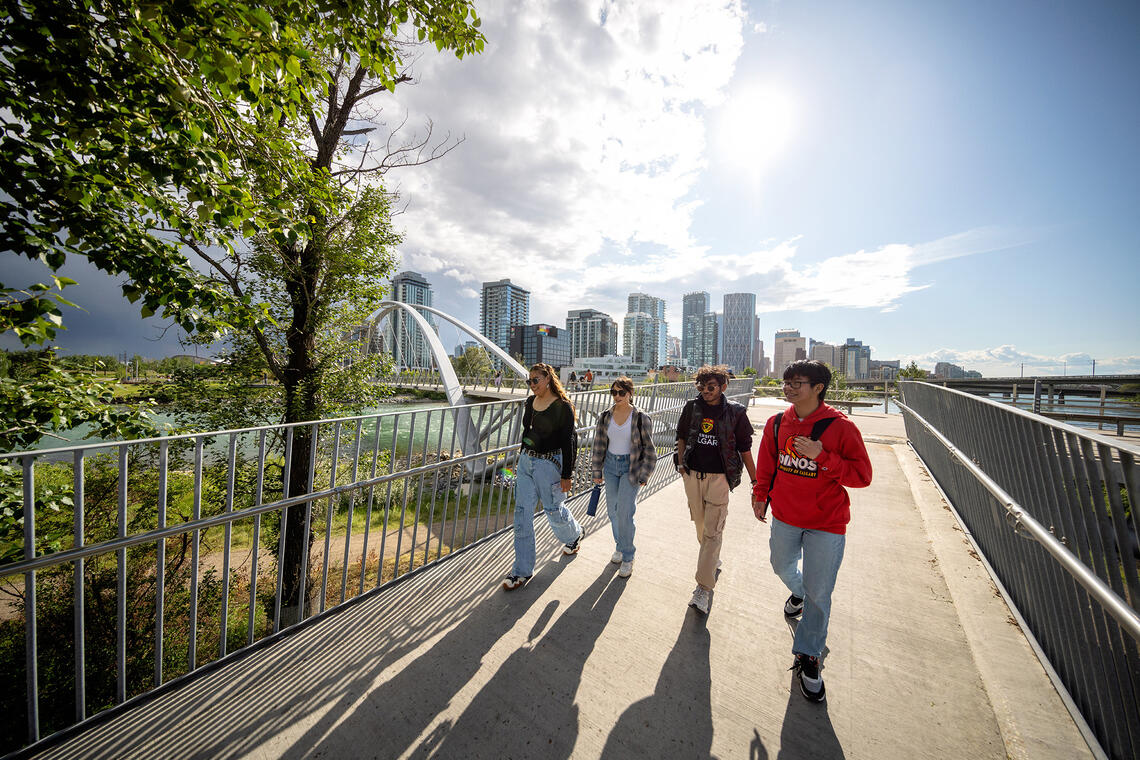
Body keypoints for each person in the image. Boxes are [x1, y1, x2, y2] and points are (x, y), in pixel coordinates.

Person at [751, 360, 872, 703]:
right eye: (785, 382)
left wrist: (823, 456)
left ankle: (808, 654)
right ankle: (799, 591)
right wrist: (760, 496)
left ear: (818, 388)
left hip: (827, 524)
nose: (787, 388)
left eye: (796, 383)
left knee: (821, 594)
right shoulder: (777, 423)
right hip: (786, 516)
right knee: (780, 565)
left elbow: (862, 477)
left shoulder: (841, 427)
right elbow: (768, 465)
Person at [674, 364, 757, 615]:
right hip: (693, 475)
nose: (705, 391)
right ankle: (712, 558)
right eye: (701, 386)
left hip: (720, 478)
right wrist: (680, 463)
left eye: (710, 387)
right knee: (701, 527)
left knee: (712, 533)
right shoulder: (692, 407)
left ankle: (703, 587)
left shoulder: (736, 413)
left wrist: (756, 481)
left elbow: (745, 448)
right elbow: (681, 436)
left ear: (723, 387)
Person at [503, 363, 584, 590]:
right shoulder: (530, 402)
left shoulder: (563, 407)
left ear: (548, 379)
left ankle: (574, 534)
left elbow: (569, 443)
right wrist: (522, 458)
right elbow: (527, 433)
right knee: (521, 513)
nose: (532, 385)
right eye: (529, 381)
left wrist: (567, 474)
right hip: (527, 463)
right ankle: (521, 571)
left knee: (553, 510)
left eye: (535, 380)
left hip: (550, 464)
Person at [590, 376, 655, 578]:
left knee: (625, 513)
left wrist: (644, 474)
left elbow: (650, 450)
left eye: (621, 392)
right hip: (610, 466)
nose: (617, 396)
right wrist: (596, 471)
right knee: (612, 511)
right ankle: (620, 545)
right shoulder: (605, 416)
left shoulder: (640, 417)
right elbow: (599, 445)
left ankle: (628, 556)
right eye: (614, 392)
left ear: (630, 393)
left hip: (631, 467)